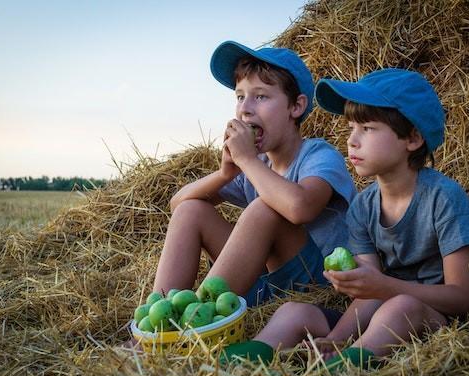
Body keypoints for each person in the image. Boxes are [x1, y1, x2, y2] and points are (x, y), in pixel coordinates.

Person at [221, 68, 469, 372]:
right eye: (351, 128)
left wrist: (384, 287)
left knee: (399, 307)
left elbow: (462, 298)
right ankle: (234, 369)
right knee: (292, 312)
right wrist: (334, 338)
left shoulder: (444, 199)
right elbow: (370, 294)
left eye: (368, 129)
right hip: (378, 311)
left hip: (433, 318)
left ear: (412, 138)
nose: (352, 141)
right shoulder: (363, 206)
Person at [152, 40, 357, 307]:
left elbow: (300, 208)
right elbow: (178, 204)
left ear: (295, 107)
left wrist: (247, 160)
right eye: (240, 96)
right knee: (192, 211)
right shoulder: (255, 164)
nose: (245, 108)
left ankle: (195, 321)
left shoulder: (318, 155)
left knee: (265, 209)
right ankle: (154, 320)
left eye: (260, 96)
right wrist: (225, 172)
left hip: (317, 288)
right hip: (264, 287)